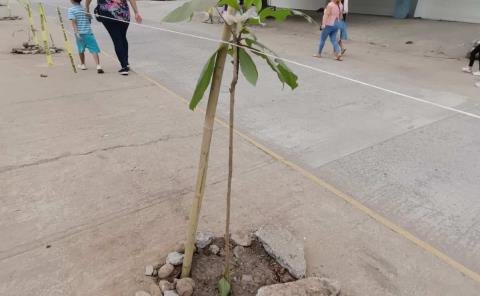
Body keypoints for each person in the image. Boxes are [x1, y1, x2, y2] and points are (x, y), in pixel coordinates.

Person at [86, 0, 142, 75]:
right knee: (122, 37)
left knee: (117, 39)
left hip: (108, 13)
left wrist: (87, 8)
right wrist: (136, 12)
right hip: (123, 12)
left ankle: (124, 66)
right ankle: (125, 62)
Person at [68, 0, 104, 73]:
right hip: (88, 32)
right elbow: (89, 20)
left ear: (71, 1)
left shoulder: (71, 10)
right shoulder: (85, 8)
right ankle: (98, 65)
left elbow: (73, 22)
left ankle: (83, 64)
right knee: (94, 49)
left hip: (79, 33)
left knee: (81, 49)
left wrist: (76, 32)